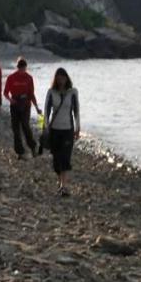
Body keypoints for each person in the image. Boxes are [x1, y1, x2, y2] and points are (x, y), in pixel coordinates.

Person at [42, 67, 80, 195]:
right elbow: (46, 111)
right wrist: (45, 127)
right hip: (54, 130)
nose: (61, 80)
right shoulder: (51, 92)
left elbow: (76, 111)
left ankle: (64, 186)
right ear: (56, 79)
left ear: (66, 78)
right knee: (56, 159)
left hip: (68, 130)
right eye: (58, 78)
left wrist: (78, 128)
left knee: (65, 157)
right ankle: (60, 182)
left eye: (63, 77)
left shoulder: (73, 92)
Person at [3, 57, 39, 158]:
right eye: (20, 69)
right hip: (14, 103)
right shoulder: (11, 77)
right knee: (15, 128)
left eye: (23, 69)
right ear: (17, 68)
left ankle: (33, 147)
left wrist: (36, 107)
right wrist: (10, 100)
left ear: (26, 68)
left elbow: (31, 94)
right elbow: (5, 92)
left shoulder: (29, 78)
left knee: (25, 125)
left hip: (26, 104)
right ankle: (20, 152)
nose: (22, 71)